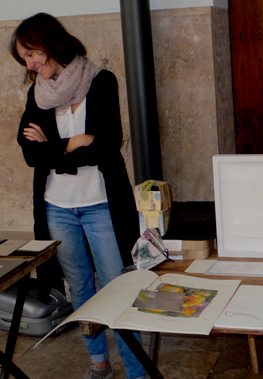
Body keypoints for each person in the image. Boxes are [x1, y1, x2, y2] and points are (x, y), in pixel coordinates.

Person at [10, 13, 146, 379]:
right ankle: (98, 363)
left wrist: (54, 148)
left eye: (33, 53)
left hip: (102, 204)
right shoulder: (37, 95)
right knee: (81, 288)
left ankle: (136, 371)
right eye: (24, 58)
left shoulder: (101, 81)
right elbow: (30, 154)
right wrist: (71, 143)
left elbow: (107, 146)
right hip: (58, 207)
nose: (30, 64)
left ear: (52, 43)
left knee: (118, 287)